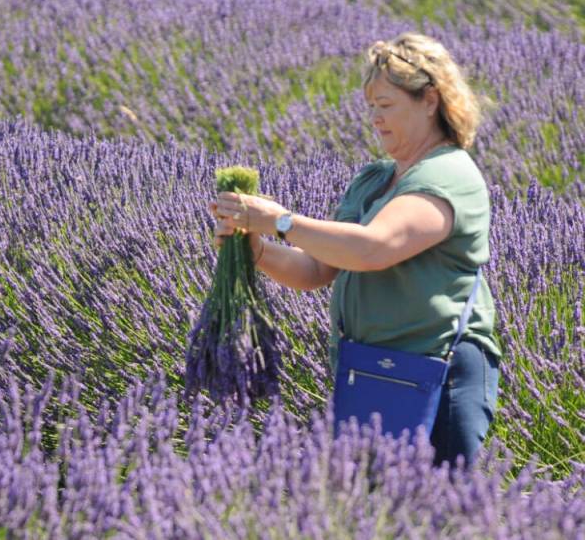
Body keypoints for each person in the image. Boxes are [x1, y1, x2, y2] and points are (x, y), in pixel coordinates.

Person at [211, 33, 501, 467]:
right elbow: (317, 270)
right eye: (371, 108)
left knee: (443, 509)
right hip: (369, 369)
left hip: (437, 370)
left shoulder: (449, 175)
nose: (375, 119)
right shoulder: (375, 180)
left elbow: (374, 248)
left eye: (386, 105)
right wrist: (254, 248)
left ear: (429, 100)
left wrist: (279, 221)